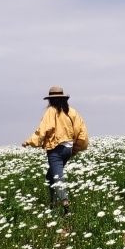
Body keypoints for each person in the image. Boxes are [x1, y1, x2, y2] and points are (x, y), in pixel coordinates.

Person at [22, 86, 89, 215]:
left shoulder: (51, 111)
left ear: (50, 100)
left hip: (56, 150)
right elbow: (82, 133)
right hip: (68, 149)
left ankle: (65, 203)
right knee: (50, 175)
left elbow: (43, 129)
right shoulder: (72, 112)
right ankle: (52, 203)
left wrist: (29, 141)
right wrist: (75, 148)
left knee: (57, 177)